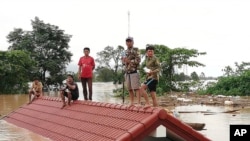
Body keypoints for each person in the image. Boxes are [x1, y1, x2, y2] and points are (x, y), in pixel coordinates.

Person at [122, 37, 141, 106]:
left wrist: (129, 61)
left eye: (130, 41)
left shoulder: (136, 50)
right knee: (129, 88)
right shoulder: (124, 52)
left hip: (134, 71)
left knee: (136, 88)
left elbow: (138, 60)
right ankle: (132, 102)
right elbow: (123, 62)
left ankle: (138, 102)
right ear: (126, 43)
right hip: (127, 71)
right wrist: (124, 61)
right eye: (127, 41)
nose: (128, 43)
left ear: (133, 42)